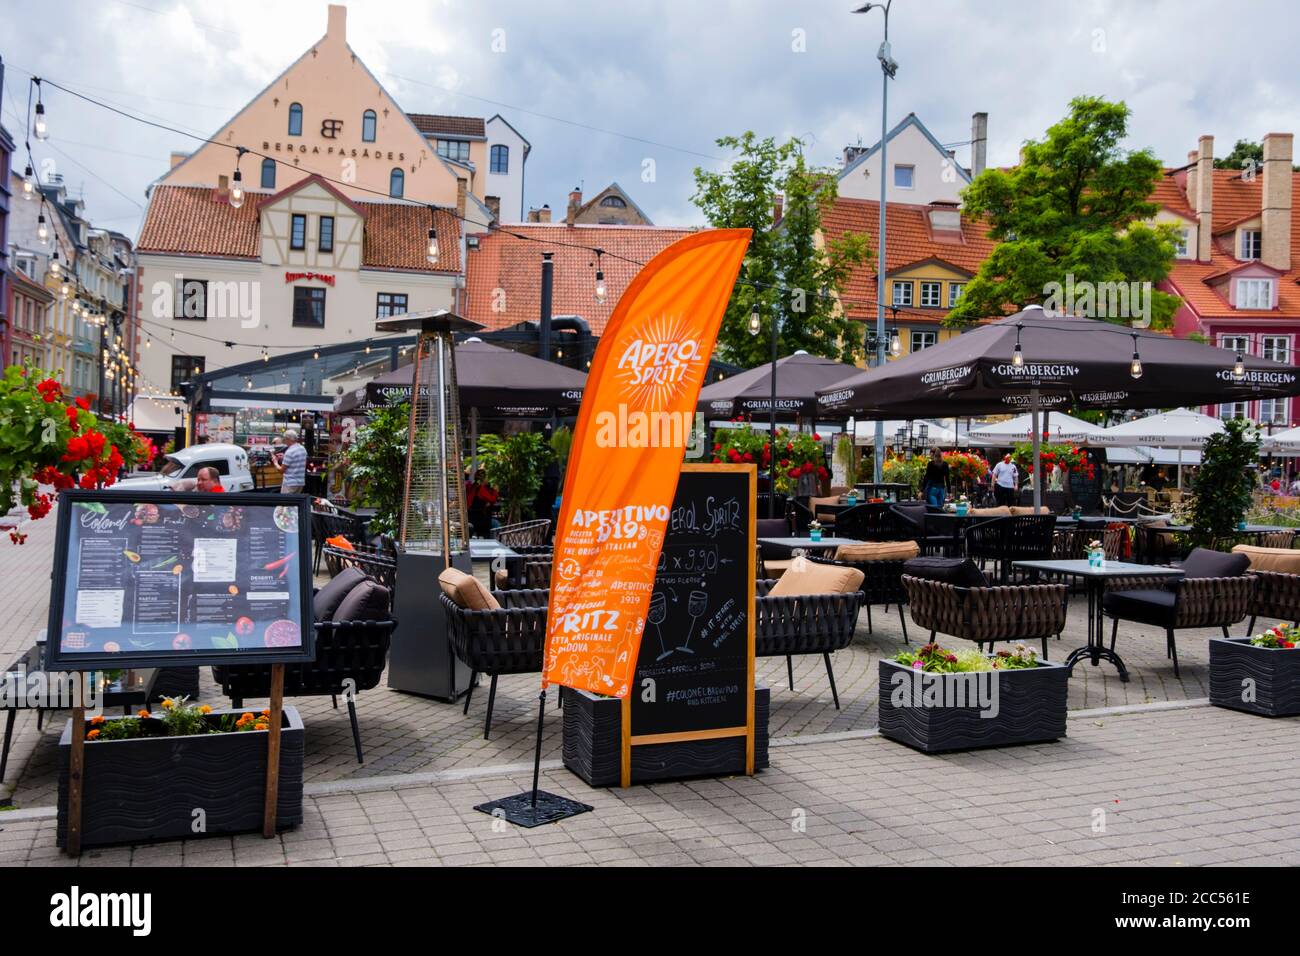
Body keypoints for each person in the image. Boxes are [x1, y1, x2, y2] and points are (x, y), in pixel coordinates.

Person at [273, 428, 308, 494]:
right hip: (300, 483)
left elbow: (281, 470)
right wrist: (284, 457)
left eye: (285, 439)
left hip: (289, 483)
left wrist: (275, 462)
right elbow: (300, 462)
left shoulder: (289, 452)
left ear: (288, 439)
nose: (284, 441)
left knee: (285, 503)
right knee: (295, 503)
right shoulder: (302, 449)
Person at [466, 468, 498, 538]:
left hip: (470, 517)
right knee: (496, 525)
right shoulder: (481, 489)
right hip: (480, 520)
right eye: (488, 478)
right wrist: (495, 491)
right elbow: (492, 499)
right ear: (484, 479)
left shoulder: (473, 486)